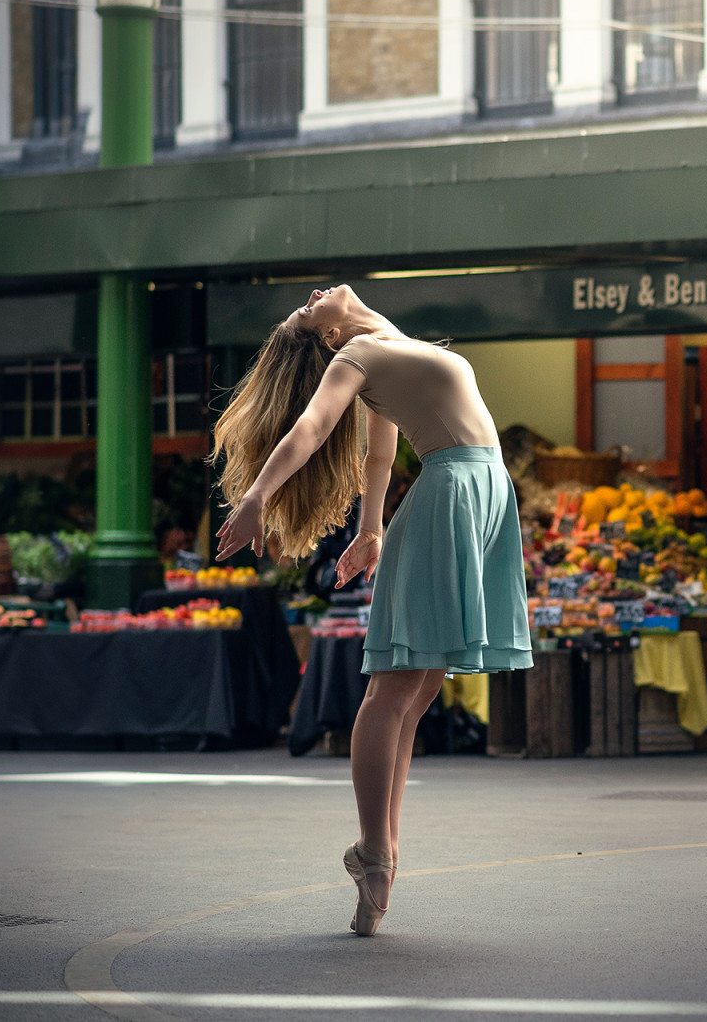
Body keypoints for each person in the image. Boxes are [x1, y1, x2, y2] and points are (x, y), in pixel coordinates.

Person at [212, 284, 533, 936]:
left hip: (478, 493)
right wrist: (257, 498)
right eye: (307, 310)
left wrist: (372, 530)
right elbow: (311, 428)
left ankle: (378, 854)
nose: (313, 295)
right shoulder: (354, 356)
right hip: (453, 493)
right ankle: (375, 850)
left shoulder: (388, 344)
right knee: (394, 691)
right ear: (327, 338)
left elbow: (380, 455)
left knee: (416, 694)